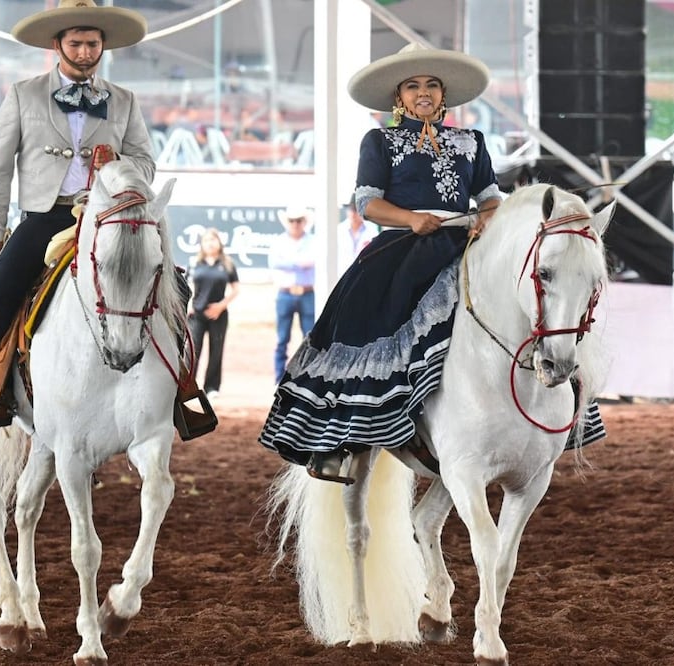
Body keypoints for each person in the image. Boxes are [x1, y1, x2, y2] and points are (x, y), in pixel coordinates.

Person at [259, 43, 608, 484]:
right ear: (398, 97)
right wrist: (410, 219)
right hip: (401, 250)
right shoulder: (380, 140)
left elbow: (488, 200)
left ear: (443, 95)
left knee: (527, 303)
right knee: (361, 320)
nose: (422, 93)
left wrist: (486, 222)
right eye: (412, 86)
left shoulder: (471, 141)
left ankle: (557, 403)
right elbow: (367, 203)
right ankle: (344, 443)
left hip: (463, 245)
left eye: (430, 85)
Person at [0, 0, 211, 439]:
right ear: (58, 45)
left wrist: (116, 171)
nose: (86, 51)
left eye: (93, 43)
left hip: (108, 213)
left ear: (102, 46)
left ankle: (181, 388)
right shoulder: (22, 94)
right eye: (77, 42)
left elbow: (147, 163)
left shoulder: (125, 101)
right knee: (1, 285)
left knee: (175, 283)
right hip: (43, 217)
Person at [186, 228, 240, 398]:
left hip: (218, 314)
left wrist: (221, 306)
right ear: (201, 244)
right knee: (193, 351)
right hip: (197, 315)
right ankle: (188, 386)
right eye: (207, 240)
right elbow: (186, 285)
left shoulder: (227, 264)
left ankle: (211, 387)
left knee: (216, 350)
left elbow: (236, 289)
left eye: (213, 239)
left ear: (219, 242)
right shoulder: (194, 262)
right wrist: (189, 306)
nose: (210, 243)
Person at [268, 205, 316, 382]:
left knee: (310, 337)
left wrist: (289, 262)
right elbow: (275, 263)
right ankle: (280, 377)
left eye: (298, 220)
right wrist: (299, 263)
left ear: (304, 222)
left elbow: (312, 261)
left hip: (307, 292)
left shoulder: (313, 240)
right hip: (286, 293)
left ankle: (307, 375)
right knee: (282, 338)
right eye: (292, 220)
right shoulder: (279, 241)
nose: (295, 224)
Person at [336, 192, 380, 275]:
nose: (353, 214)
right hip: (342, 274)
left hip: (363, 274)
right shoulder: (340, 230)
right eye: (351, 209)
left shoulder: (372, 230)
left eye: (356, 210)